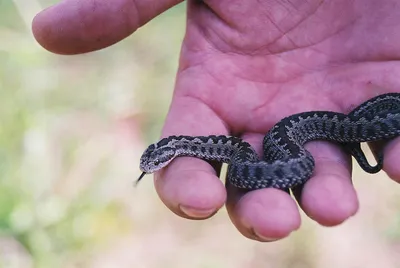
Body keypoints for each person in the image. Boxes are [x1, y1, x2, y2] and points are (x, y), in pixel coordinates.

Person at [32, 0, 400, 242]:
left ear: (167, 153)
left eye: (155, 161)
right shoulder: (229, 151)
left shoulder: (226, 150)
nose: (153, 166)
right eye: (152, 163)